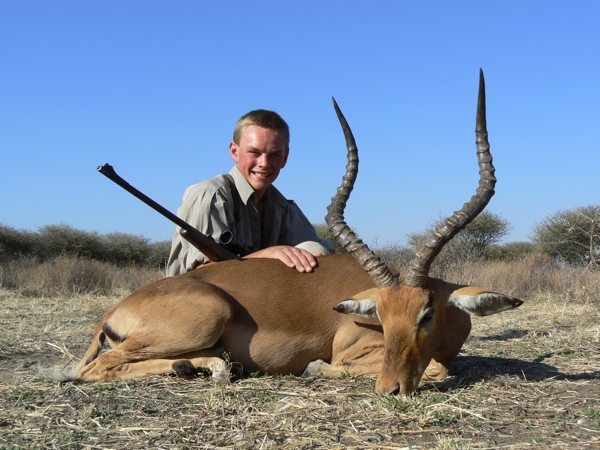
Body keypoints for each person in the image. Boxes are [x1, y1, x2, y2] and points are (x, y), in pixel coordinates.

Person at [166, 109, 331, 276]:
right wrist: (268, 254)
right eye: (254, 153)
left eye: (274, 155)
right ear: (234, 151)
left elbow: (320, 252)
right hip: (197, 290)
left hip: (252, 288)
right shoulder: (210, 195)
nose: (264, 163)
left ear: (285, 158)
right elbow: (203, 274)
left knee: (314, 250)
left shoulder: (283, 206)